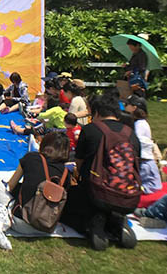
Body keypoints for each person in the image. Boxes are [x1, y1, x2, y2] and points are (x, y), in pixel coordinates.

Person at [60, 93, 140, 251]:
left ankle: (92, 223)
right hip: (128, 197)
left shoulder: (90, 130)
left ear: (96, 112)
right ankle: (115, 221)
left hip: (97, 193)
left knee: (67, 203)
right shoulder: (131, 133)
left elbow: (79, 163)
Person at [0, 132, 71, 233]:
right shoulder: (66, 174)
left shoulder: (31, 158)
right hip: (46, 227)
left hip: (20, 222)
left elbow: (10, 186)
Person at [124, 95, 162, 194]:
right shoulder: (140, 123)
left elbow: (137, 142)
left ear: (134, 107)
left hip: (144, 160)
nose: (124, 106)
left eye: (126, 104)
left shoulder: (139, 125)